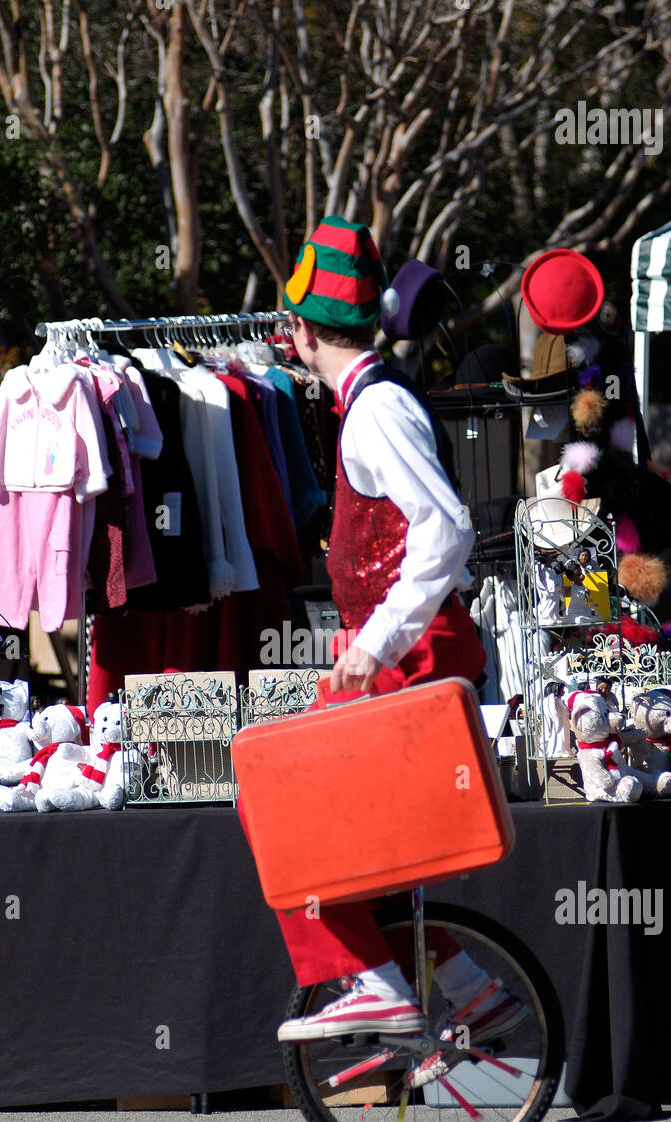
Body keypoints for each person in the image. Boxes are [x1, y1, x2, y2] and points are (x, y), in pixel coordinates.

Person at [240, 216, 527, 1070]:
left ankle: (371, 978)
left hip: (414, 654)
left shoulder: (377, 413)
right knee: (353, 844)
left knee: (277, 803)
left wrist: (374, 642)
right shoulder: (371, 402)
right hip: (405, 651)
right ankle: (465, 989)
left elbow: (444, 531)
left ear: (297, 332)